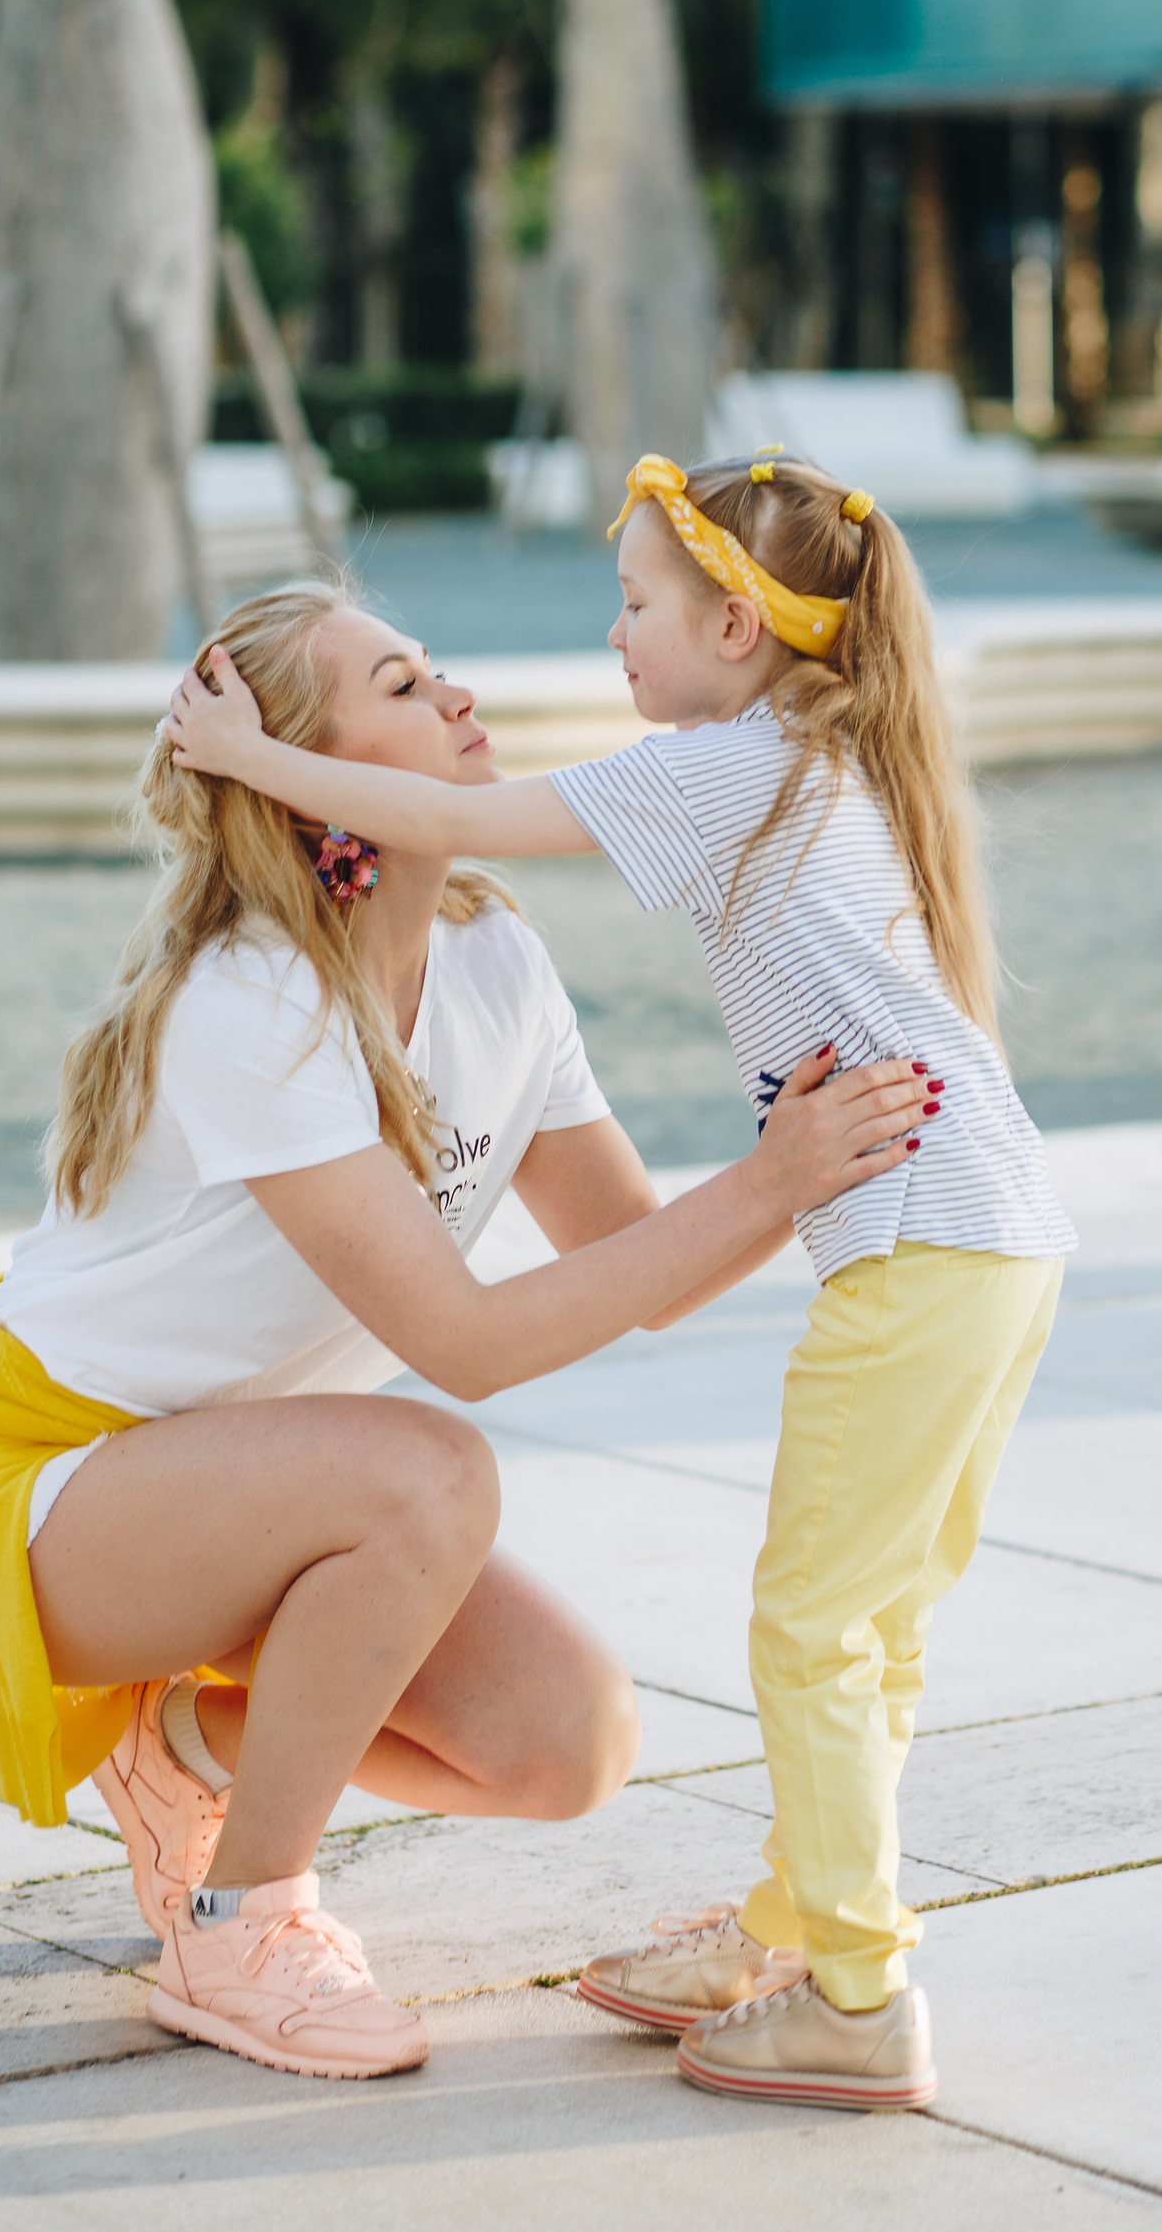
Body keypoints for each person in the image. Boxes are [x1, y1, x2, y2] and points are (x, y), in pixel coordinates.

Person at [0, 577, 934, 2088]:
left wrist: (827, 1145)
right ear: (302, 770)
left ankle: (180, 1747)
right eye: (399, 684)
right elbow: (462, 1345)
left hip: (256, 1488)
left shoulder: (496, 959)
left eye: (437, 668)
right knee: (431, 1469)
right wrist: (775, 1175)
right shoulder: (253, 998)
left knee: (564, 1741)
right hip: (55, 1482)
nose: (456, 697)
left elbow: (638, 1259)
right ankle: (240, 1927)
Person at [169, 451, 1077, 2110]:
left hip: (924, 1248)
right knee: (870, 1625)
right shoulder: (815, 758)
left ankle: (856, 1999)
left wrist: (248, 750)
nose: (614, 634)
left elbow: (450, 820)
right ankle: (797, 1925)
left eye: (642, 606)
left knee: (812, 1630)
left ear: (737, 626)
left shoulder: (727, 765)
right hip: (998, 1242)